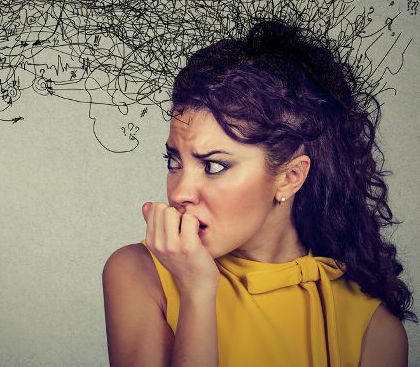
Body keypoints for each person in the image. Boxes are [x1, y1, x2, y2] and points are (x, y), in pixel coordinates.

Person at [102, 20, 413, 366]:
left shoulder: (373, 331)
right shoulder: (139, 273)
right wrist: (197, 293)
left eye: (214, 166)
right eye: (174, 161)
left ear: (290, 177)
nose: (180, 193)